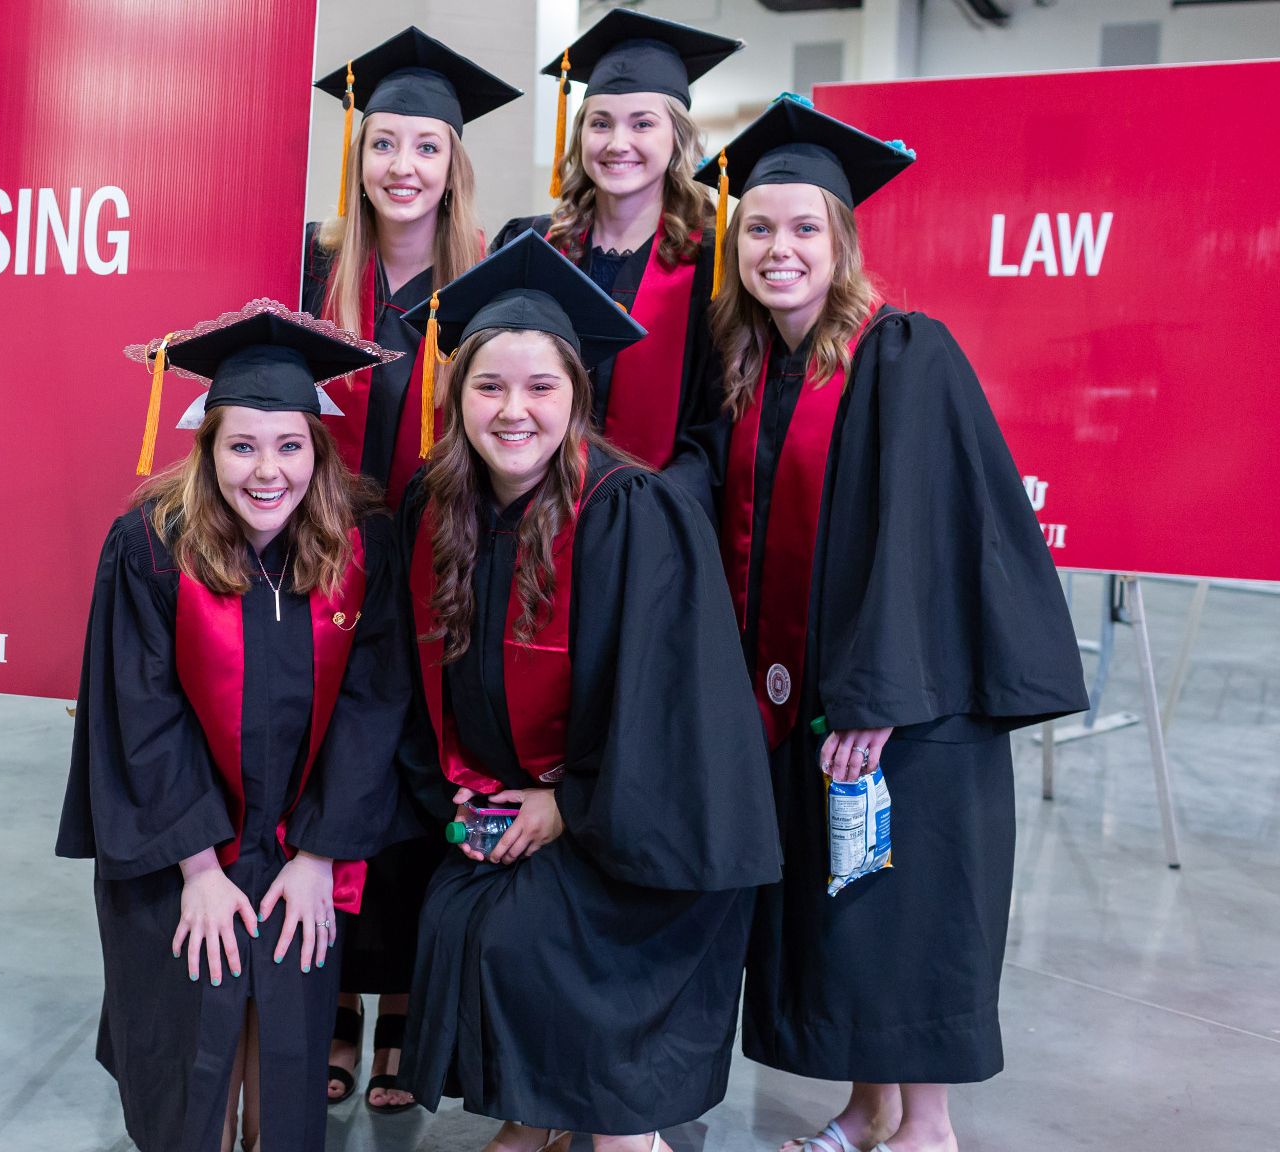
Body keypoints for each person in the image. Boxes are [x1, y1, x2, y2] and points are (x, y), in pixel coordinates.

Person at [685, 95, 1088, 1152]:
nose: (778, 249)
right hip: (812, 700)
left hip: (907, 707)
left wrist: (876, 700)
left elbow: (923, 539)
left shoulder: (902, 353)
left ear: (842, 242)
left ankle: (925, 1128)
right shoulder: (751, 371)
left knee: (906, 911)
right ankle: (869, 1112)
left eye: (802, 228)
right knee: (851, 905)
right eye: (758, 230)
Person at [393, 232, 782, 1152]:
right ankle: (542, 1111)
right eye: (488, 387)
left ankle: (616, 1129)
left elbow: (671, 714)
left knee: (529, 931)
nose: (513, 410)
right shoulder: (433, 508)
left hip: (636, 830)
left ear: (579, 398)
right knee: (463, 912)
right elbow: (405, 688)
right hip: (505, 801)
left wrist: (567, 806)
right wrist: (455, 798)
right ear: (455, 397)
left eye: (541, 388)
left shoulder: (632, 513)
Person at [57, 301, 416, 1152]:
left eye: (290, 445)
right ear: (206, 445)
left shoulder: (363, 545)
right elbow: (140, 716)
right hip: (181, 857)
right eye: (242, 446)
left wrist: (320, 856)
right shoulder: (149, 544)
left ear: (317, 447)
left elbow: (375, 706)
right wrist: (197, 868)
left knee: (288, 1050)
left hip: (304, 850)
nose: (268, 471)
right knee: (191, 1047)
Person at [303, 26, 518, 1111]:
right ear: (359, 154)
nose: (401, 166)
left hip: (442, 565)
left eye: (423, 147)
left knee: (419, 781)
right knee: (328, 772)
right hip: (324, 564)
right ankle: (337, 1004)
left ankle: (402, 1022)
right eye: (382, 143)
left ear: (451, 163)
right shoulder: (309, 267)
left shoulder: (486, 283)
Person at [491, 10, 741, 469]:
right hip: (536, 500)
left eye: (642, 124)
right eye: (601, 123)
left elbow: (719, 415)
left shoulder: (714, 262)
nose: (617, 143)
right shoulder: (532, 244)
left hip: (657, 505)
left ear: (677, 139)